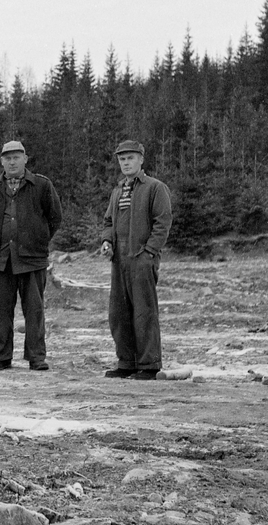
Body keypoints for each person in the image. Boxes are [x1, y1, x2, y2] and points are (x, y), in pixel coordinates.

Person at [0, 140, 62, 371]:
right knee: (0, 310)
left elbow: (55, 217)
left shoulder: (42, 186)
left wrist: (38, 238)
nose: (12, 161)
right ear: (1, 161)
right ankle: (1, 357)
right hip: (1, 259)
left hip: (32, 259)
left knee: (34, 310)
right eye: (7, 158)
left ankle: (36, 357)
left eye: (16, 157)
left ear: (26, 159)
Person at [101, 140, 173, 381]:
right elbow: (108, 222)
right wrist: (106, 242)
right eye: (122, 159)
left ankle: (149, 365)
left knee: (144, 311)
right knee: (118, 313)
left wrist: (149, 253)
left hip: (141, 258)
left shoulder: (155, 188)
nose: (126, 162)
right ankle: (126, 362)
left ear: (141, 159)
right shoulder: (117, 191)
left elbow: (163, 223)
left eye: (130, 158)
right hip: (118, 260)